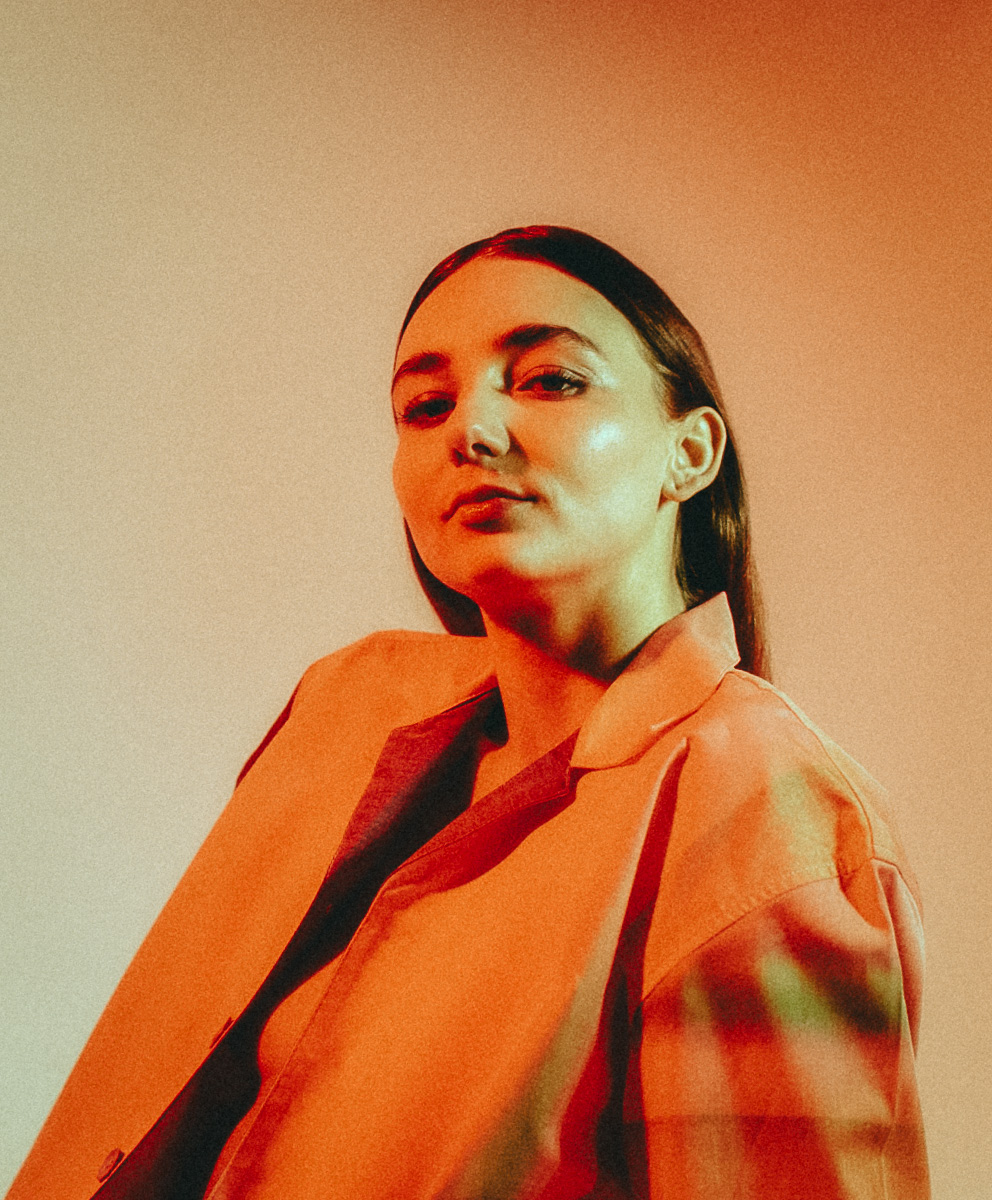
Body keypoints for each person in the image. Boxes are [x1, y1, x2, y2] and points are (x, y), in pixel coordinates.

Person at [9, 226, 929, 1199]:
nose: (471, 431)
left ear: (689, 452)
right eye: (425, 405)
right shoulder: (345, 709)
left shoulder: (765, 814)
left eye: (550, 381)